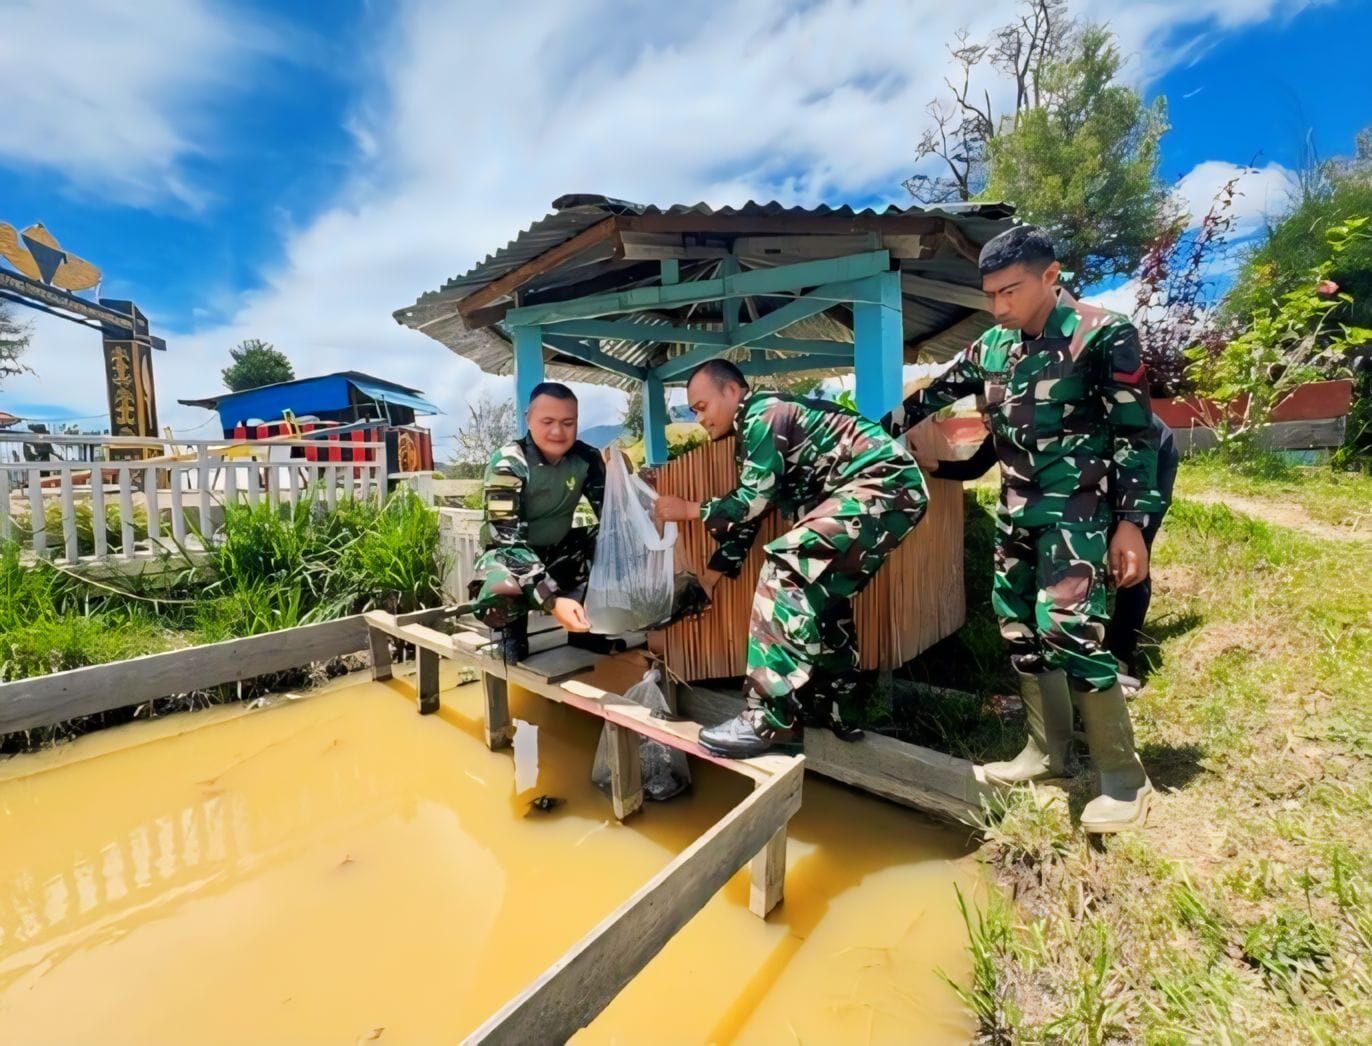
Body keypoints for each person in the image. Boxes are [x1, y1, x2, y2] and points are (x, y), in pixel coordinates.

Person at [882, 225, 1163, 833]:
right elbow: (934, 395)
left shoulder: (1103, 335)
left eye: (1010, 291)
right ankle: (1047, 755)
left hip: (1079, 511)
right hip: (1016, 509)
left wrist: (1133, 525)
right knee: (1018, 627)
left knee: (1066, 629)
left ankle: (1123, 777)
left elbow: (1136, 435)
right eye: (991, 294)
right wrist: (872, 431)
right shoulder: (993, 347)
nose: (999, 305)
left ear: (1049, 276)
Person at [653, 359, 928, 758]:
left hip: (880, 486)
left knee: (786, 570)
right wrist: (708, 582)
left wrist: (688, 509)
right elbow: (751, 517)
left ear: (732, 391)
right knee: (820, 598)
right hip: (885, 494)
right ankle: (835, 708)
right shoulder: (756, 434)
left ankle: (768, 721)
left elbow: (750, 503)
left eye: (701, 406)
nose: (699, 419)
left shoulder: (764, 413)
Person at [911, 414, 1180, 691]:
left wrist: (1129, 521)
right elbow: (977, 465)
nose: (984, 420)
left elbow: (1131, 443)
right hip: (1087, 463)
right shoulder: (1012, 417)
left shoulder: (1059, 407)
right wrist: (936, 465)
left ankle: (1121, 655)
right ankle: (1062, 661)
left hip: (1146, 453)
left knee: (1125, 561)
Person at [465, 383, 605, 661]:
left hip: (558, 550)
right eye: (547, 421)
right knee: (502, 586)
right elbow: (506, 540)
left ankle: (584, 627)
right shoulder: (508, 463)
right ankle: (511, 631)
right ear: (528, 418)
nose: (558, 432)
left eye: (568, 422)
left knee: (604, 539)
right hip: (510, 558)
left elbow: (611, 512)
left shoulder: (586, 458)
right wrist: (552, 600)